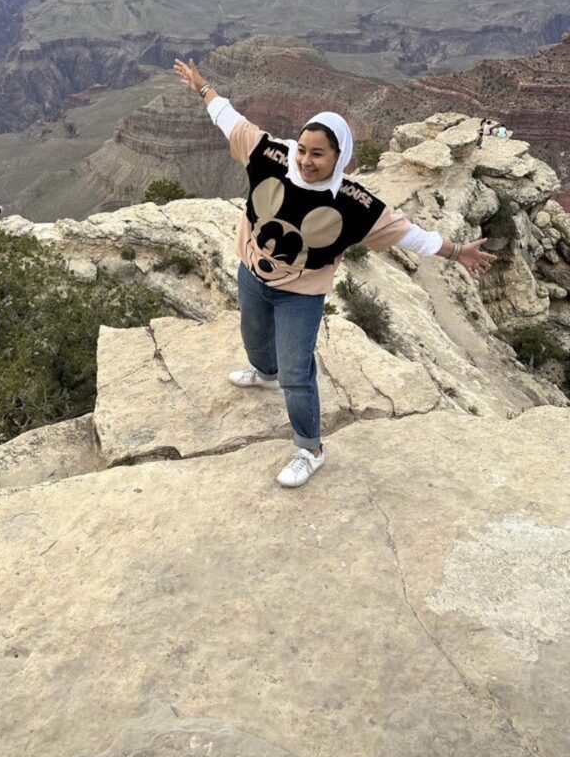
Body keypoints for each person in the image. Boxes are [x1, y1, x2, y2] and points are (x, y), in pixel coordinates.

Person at [173, 57, 497, 489]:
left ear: (339, 156)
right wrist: (202, 87)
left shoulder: (356, 204)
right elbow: (228, 118)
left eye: (318, 154)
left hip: (301, 295)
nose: (306, 161)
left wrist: (456, 251)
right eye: (303, 150)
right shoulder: (269, 154)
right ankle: (263, 374)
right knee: (253, 338)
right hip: (252, 273)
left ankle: (310, 448)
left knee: (298, 372)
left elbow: (410, 235)